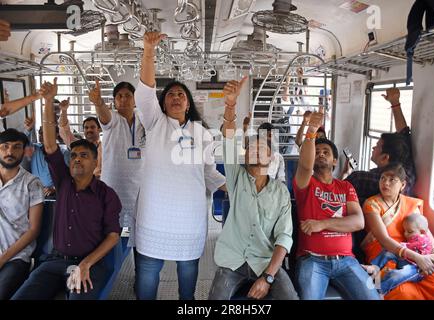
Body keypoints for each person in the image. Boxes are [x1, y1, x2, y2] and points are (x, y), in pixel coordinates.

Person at [133, 32, 226, 300]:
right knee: (148, 275)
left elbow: (209, 172)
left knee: (188, 278)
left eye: (181, 94)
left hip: (189, 218)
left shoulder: (203, 133)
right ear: (163, 103)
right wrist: (148, 51)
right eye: (171, 94)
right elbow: (144, 94)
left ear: (188, 103)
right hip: (154, 215)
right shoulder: (155, 123)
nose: (175, 96)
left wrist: (232, 187)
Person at [12, 78, 122, 300]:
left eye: (84, 156)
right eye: (73, 156)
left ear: (94, 162)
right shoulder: (62, 182)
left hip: (87, 263)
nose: (77, 160)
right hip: (54, 261)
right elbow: (50, 145)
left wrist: (86, 264)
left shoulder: (106, 194)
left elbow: (113, 236)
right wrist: (49, 100)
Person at [208, 78, 298, 300]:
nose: (256, 152)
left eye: (262, 149)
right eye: (251, 149)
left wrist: (268, 277)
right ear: (245, 156)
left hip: (265, 262)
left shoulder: (280, 193)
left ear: (271, 157)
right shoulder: (236, 177)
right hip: (232, 260)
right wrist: (230, 106)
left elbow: (284, 238)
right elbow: (229, 139)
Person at [293, 107, 380, 300]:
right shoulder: (306, 183)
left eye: (326, 152)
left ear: (334, 162)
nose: (321, 154)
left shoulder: (345, 186)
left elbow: (358, 222)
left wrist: (322, 224)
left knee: (373, 298)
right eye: (316, 151)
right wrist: (311, 132)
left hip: (347, 261)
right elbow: (305, 165)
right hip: (312, 260)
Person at [362, 162, 434, 299]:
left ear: (403, 185)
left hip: (416, 256)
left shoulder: (411, 204)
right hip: (386, 256)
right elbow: (384, 240)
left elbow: (425, 234)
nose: (386, 182)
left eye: (392, 179)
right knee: (403, 293)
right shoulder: (372, 204)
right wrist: (418, 258)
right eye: (383, 178)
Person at [344, 87, 416, 206]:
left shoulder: (360, 179)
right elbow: (404, 134)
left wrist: (345, 174)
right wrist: (395, 103)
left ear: (385, 158)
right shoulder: (408, 174)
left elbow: (336, 194)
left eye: (377, 146)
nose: (373, 148)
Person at [88, 80, 144, 229]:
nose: (124, 99)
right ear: (114, 102)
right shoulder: (112, 120)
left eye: (127, 95)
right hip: (113, 187)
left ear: (135, 99)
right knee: (112, 231)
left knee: (139, 232)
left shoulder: (142, 120)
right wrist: (99, 103)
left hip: (138, 188)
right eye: (119, 96)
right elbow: (104, 115)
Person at [0, 129, 44, 300]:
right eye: (5, 146)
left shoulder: (32, 184)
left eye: (16, 147)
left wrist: (3, 259)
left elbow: (33, 230)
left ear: (24, 151)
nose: (10, 152)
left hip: (16, 258)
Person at [364, 211, 433, 295]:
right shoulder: (415, 237)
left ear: (422, 232)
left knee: (395, 275)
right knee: (388, 251)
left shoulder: (423, 239)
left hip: (415, 269)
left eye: (410, 231)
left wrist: (398, 245)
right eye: (405, 231)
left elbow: (409, 247)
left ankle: (380, 291)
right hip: (407, 260)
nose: (406, 234)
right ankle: (374, 267)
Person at [24, 113, 70, 197]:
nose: (43, 135)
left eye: (46, 133)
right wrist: (28, 129)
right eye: (41, 133)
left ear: (56, 135)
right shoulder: (35, 149)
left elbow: (70, 177)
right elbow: (21, 143)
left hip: (56, 195)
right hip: (35, 193)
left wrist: (54, 188)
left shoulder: (63, 153)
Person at [59, 98, 102, 178]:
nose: (89, 130)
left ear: (99, 129)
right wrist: (64, 111)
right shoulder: (78, 146)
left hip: (100, 185)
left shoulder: (106, 147)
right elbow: (64, 130)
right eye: (86, 128)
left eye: (92, 127)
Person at [242, 115, 285, 182]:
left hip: (271, 189)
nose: (268, 139)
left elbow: (281, 178)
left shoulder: (279, 158)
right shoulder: (253, 155)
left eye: (271, 136)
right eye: (264, 136)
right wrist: (245, 127)